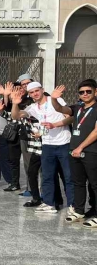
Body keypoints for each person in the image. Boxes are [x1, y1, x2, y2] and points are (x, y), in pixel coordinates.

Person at [12, 83, 74, 214]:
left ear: (42, 90)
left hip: (64, 143)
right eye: (32, 92)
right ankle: (48, 203)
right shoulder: (33, 107)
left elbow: (70, 118)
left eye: (37, 90)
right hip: (47, 145)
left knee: (68, 177)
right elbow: (16, 116)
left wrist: (54, 125)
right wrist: (15, 103)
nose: (35, 93)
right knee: (47, 176)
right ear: (29, 94)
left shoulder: (56, 100)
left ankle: (73, 205)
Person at [60, 80, 97, 225]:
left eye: (88, 91)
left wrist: (80, 147)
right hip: (74, 151)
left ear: (95, 92)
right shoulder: (78, 107)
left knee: (95, 184)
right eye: (82, 92)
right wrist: (54, 99)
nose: (85, 94)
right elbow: (61, 110)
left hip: (91, 152)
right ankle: (79, 210)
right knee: (78, 182)